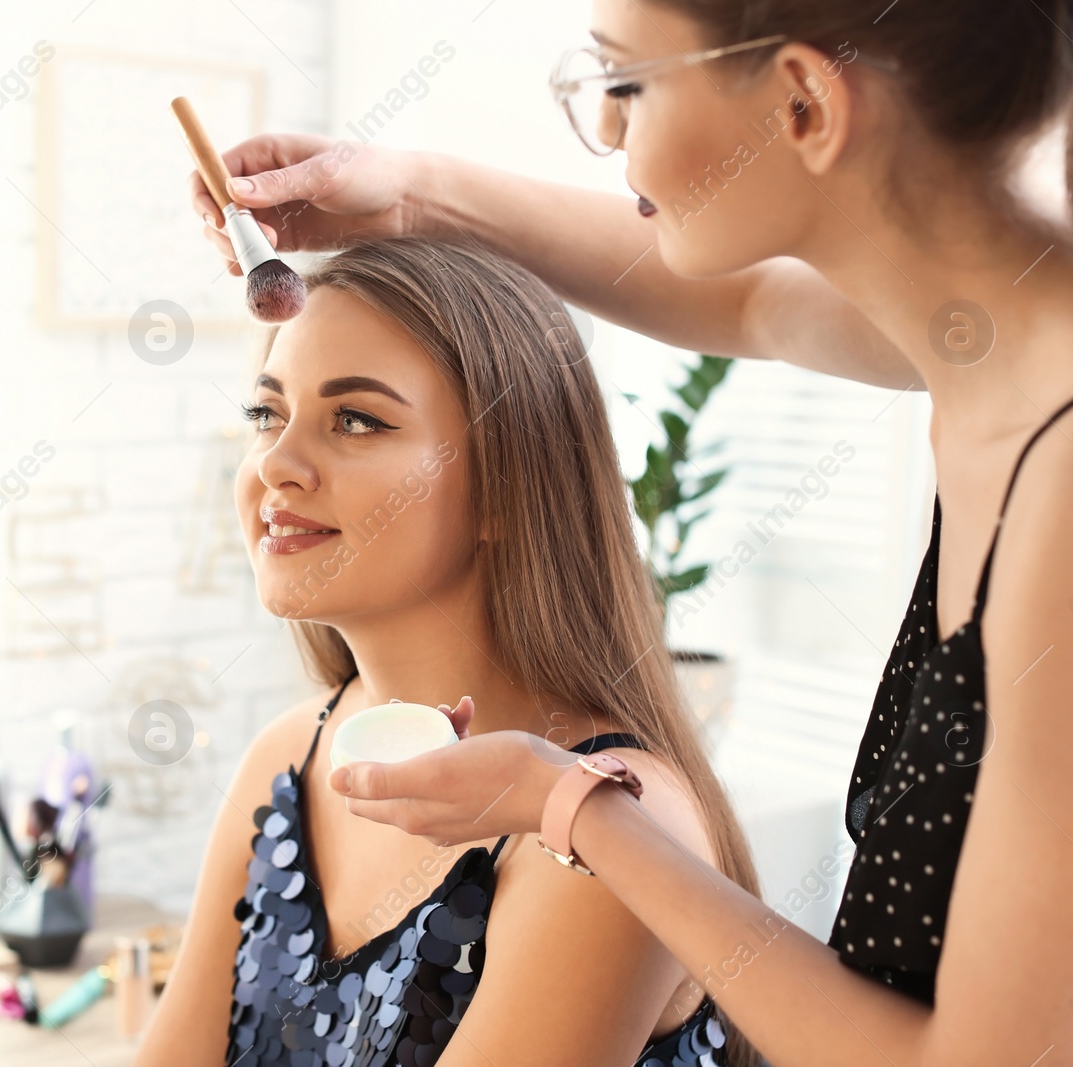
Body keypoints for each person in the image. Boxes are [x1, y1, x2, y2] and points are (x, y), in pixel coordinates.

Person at [193, 1, 1073, 1064]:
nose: (607, 128)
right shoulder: (1002, 335)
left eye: (626, 81)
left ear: (801, 103)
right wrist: (404, 194)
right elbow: (743, 304)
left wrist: (578, 812)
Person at [131, 237, 761, 1066]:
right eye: (266, 414)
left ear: (507, 482)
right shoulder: (289, 757)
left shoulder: (611, 829)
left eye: (355, 419)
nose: (275, 463)